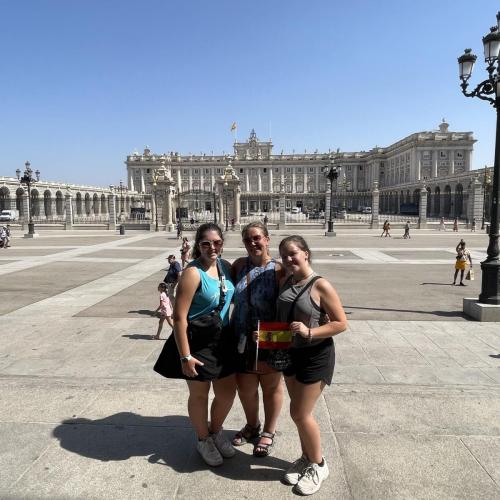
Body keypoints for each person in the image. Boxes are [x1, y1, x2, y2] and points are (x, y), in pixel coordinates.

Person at [276, 235, 347, 496]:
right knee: (297, 411)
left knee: (300, 413)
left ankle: (319, 464)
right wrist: (265, 336)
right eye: (284, 256)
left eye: (293, 253)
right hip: (290, 353)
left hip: (316, 354)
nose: (288, 259)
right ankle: (307, 457)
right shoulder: (286, 280)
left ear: (306, 253)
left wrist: (309, 332)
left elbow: (340, 323)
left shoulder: (321, 285)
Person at [171, 223, 236, 466]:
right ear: (198, 245)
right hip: (197, 342)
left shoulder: (226, 267)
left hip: (222, 340)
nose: (212, 247)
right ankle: (202, 439)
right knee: (200, 395)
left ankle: (216, 430)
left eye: (217, 242)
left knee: (227, 393)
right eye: (206, 243)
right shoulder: (192, 273)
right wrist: (185, 357)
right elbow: (179, 317)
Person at [230, 222, 286, 457]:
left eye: (257, 238)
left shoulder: (280, 271)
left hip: (270, 339)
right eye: (248, 240)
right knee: (246, 387)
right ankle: (253, 426)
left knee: (271, 387)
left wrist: (273, 337)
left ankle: (269, 431)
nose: (253, 243)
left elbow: (287, 309)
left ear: (267, 239)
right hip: (241, 336)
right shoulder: (239, 265)